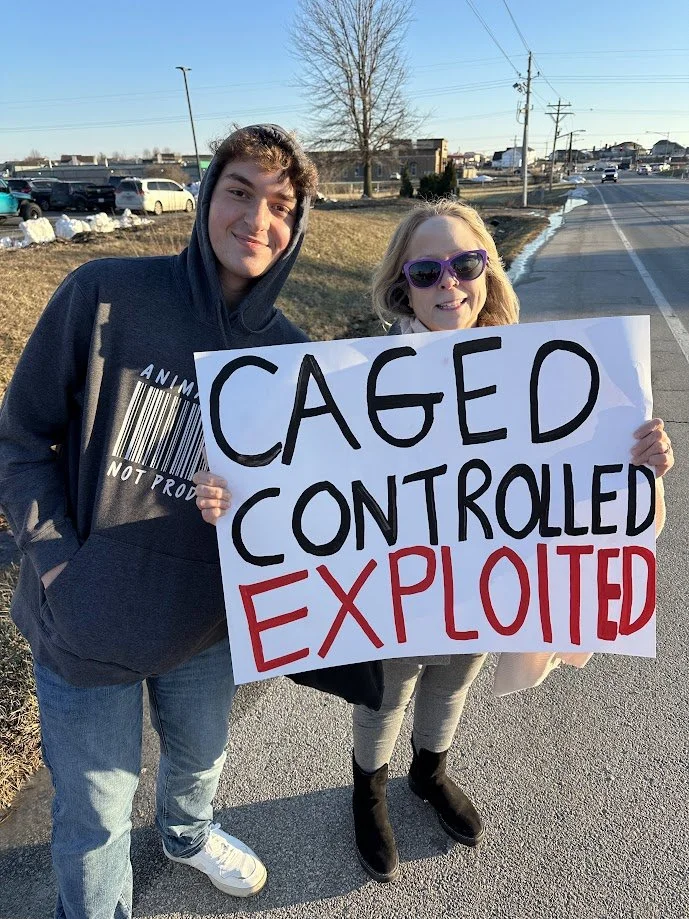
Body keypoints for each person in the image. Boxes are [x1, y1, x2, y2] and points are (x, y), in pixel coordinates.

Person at [192, 199, 673, 885]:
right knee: (384, 696)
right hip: (391, 595)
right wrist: (229, 492)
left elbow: (583, 484)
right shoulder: (355, 378)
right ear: (401, 285)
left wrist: (640, 467)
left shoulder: (540, 370)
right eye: (425, 270)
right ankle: (368, 790)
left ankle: (428, 771)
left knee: (453, 683)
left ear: (487, 271)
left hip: (483, 585)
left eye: (465, 263)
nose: (448, 282)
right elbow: (290, 473)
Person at [0, 124, 337, 916]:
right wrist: (57, 564)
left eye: (281, 205)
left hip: (207, 630)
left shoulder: (292, 358)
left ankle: (186, 836)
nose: (258, 218)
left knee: (198, 767)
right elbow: (19, 439)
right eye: (240, 192)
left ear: (298, 227)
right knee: (93, 821)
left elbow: (315, 509)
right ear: (206, 197)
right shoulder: (104, 291)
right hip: (86, 621)